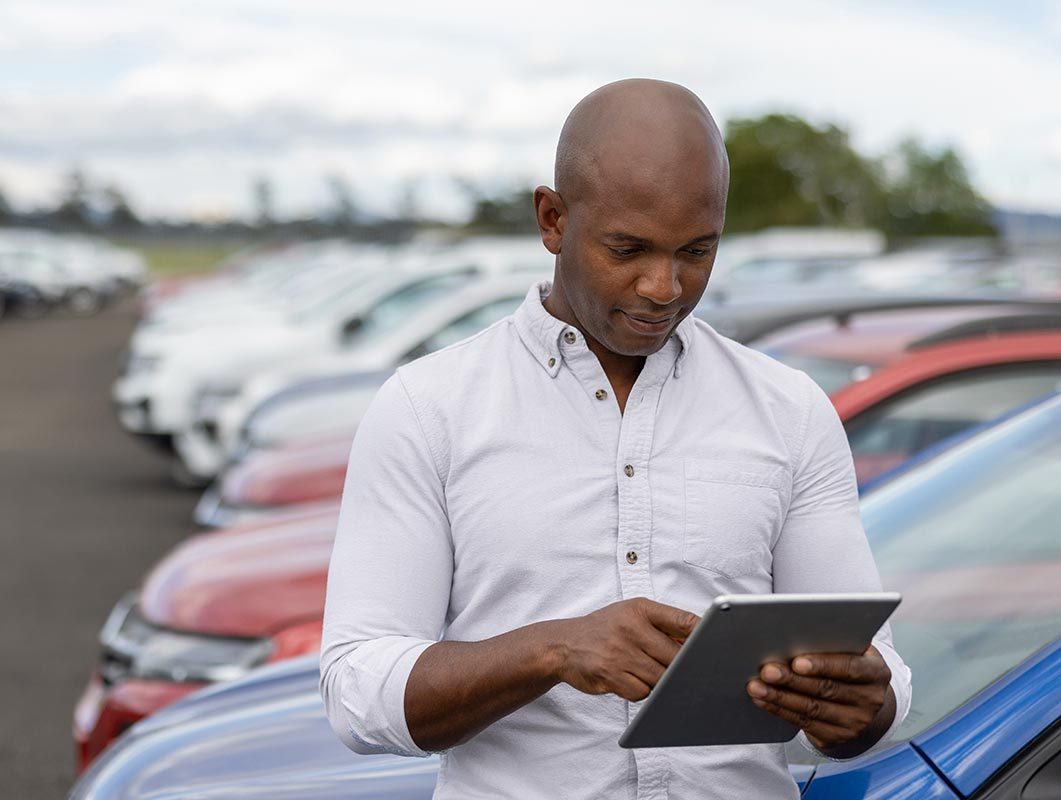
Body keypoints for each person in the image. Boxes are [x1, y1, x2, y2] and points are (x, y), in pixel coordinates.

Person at [321, 78, 911, 800]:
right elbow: (357, 691)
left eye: (696, 251)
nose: (664, 287)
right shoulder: (428, 407)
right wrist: (552, 650)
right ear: (552, 219)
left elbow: (868, 680)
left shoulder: (789, 409)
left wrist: (858, 707)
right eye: (628, 249)